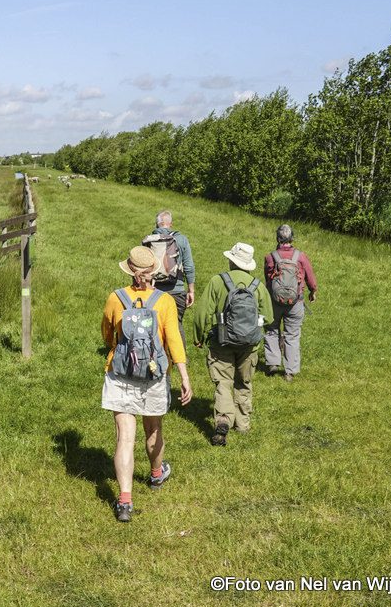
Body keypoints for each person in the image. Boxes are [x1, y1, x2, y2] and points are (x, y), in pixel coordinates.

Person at [101, 246, 193, 522]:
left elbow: (108, 333)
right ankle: (156, 473)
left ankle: (125, 500)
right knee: (153, 429)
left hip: (121, 374)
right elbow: (173, 340)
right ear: (153, 272)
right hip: (154, 375)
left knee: (125, 438)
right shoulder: (164, 302)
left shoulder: (116, 298)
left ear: (129, 270)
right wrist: (184, 376)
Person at [191, 242, 272, 446]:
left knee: (223, 382)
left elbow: (202, 313)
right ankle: (243, 424)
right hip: (249, 346)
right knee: (244, 382)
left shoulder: (217, 282)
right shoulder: (257, 286)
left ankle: (224, 420)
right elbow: (269, 317)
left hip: (221, 343)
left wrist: (199, 335)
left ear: (231, 260)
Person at [264, 224, 319, 382]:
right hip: (295, 302)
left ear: (277, 238)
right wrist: (312, 291)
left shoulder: (270, 257)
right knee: (292, 335)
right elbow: (310, 277)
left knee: (271, 330)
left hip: (274, 301)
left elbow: (268, 280)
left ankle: (273, 363)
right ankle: (290, 371)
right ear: (292, 238)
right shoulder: (300, 257)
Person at [141, 210, 196, 345]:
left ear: (157, 224)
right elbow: (189, 266)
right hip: (176, 290)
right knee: (176, 325)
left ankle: (154, 356)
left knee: (153, 324)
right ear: (171, 224)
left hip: (154, 290)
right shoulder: (181, 239)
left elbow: (142, 267)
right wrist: (191, 290)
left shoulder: (148, 240)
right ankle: (180, 359)